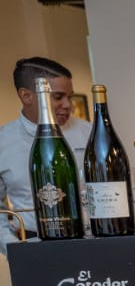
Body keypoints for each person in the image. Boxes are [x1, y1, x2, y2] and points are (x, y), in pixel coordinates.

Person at [0, 57, 92, 247]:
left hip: (92, 240)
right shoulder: (3, 141)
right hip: (32, 244)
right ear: (26, 96)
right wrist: (12, 247)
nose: (68, 105)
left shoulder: (89, 133)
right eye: (58, 97)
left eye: (69, 96)